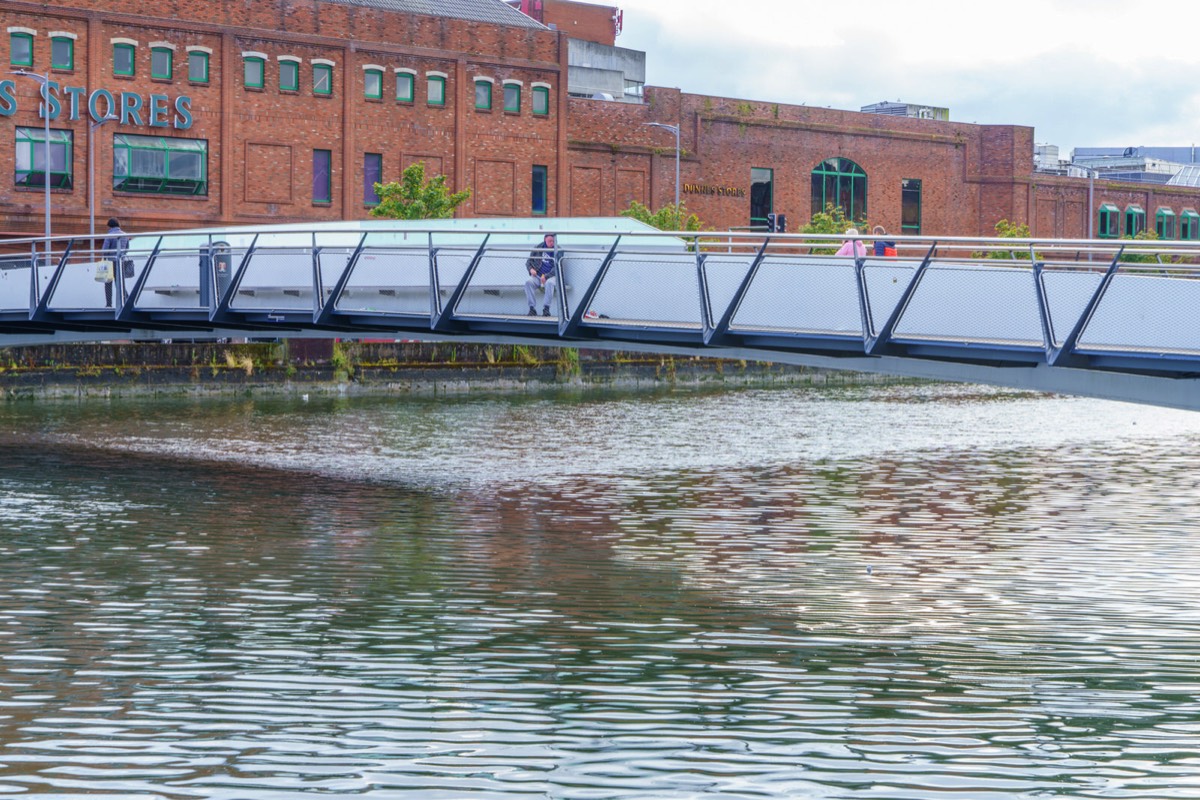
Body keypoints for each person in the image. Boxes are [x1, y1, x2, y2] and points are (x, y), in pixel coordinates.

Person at [524, 233, 560, 317]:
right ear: (545, 240)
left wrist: (546, 276)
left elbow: (557, 267)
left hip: (551, 276)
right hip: (538, 276)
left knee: (549, 283)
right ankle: (532, 308)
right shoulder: (537, 248)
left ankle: (546, 309)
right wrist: (531, 269)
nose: (552, 243)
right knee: (528, 282)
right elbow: (528, 262)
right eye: (550, 241)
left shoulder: (558, 250)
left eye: (553, 241)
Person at [101, 217, 130, 308]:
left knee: (108, 284)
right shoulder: (125, 235)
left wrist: (106, 257)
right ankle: (126, 300)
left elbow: (104, 250)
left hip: (110, 262)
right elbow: (127, 248)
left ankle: (109, 304)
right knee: (120, 284)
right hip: (121, 261)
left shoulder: (109, 235)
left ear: (109, 226)